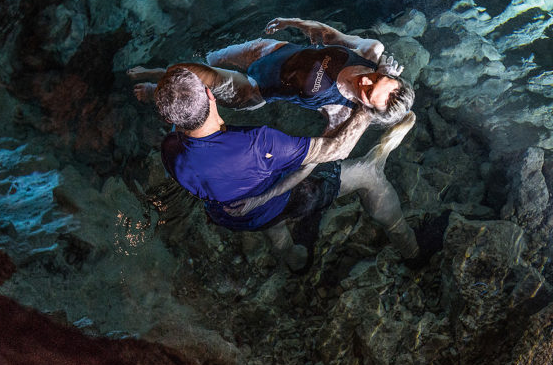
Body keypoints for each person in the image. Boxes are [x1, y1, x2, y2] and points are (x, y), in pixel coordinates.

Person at [153, 65, 418, 270]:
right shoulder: (260, 144)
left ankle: (294, 261)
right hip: (282, 200)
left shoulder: (170, 150)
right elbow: (336, 149)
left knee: (269, 224)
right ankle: (410, 248)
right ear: (211, 95)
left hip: (232, 216)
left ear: (168, 119)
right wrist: (368, 108)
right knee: (367, 173)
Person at [129, 17, 414, 133]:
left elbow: (321, 149)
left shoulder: (342, 112)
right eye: (376, 78)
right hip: (269, 50)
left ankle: (156, 84)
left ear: (366, 108)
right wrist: (293, 22)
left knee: (199, 79)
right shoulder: (369, 51)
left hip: (253, 88)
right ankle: (162, 72)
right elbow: (328, 33)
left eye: (367, 91)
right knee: (209, 59)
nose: (365, 80)